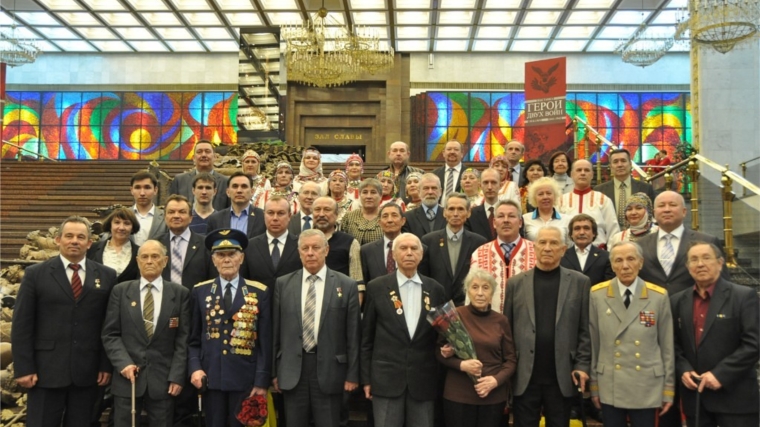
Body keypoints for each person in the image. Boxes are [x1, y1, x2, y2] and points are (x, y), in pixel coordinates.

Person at [12, 216, 118, 427]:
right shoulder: (35, 274)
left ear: (89, 243)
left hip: (88, 372)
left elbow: (109, 325)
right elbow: (22, 324)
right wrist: (24, 368)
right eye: (69, 236)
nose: (74, 241)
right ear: (58, 240)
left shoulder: (107, 276)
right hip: (44, 371)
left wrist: (105, 365)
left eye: (81, 237)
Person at [272, 229, 361, 427]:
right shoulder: (283, 284)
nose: (310, 252)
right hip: (293, 371)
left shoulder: (346, 285)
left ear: (326, 250)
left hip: (331, 372)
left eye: (316, 248)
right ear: (299, 252)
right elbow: (276, 332)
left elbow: (353, 335)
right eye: (305, 248)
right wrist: (274, 372)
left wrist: (353, 375)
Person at [503, 226, 591, 427]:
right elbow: (506, 330)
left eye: (554, 243)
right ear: (534, 247)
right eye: (543, 242)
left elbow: (585, 330)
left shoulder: (580, 282)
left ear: (564, 249)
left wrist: (582, 365)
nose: (548, 248)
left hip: (562, 375)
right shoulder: (515, 283)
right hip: (525, 376)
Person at [101, 240, 191, 427]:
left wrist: (176, 375)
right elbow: (110, 334)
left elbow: (183, 339)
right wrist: (123, 363)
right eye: (145, 257)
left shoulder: (180, 293)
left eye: (155, 256)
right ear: (137, 260)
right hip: (128, 379)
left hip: (164, 380)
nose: (150, 261)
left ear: (165, 261)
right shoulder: (121, 291)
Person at [187, 229, 271, 427]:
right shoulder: (200, 291)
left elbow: (265, 343)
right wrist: (195, 369)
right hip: (211, 377)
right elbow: (193, 339)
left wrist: (261, 381)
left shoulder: (259, 292)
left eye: (231, 254)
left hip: (245, 380)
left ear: (241, 258)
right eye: (220, 255)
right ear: (213, 260)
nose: (226, 260)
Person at [361, 233, 446, 427]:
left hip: (423, 380)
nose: (409, 253)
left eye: (414, 248)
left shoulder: (436, 289)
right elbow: (367, 338)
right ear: (393, 254)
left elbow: (441, 335)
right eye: (403, 248)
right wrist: (366, 379)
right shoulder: (376, 287)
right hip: (385, 379)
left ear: (422, 254)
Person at [671, 242, 759, 427]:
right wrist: (683, 369)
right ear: (688, 267)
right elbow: (673, 344)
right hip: (695, 398)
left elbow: (754, 343)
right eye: (694, 260)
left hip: (735, 397)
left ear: (720, 263)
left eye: (706, 258)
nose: (700, 264)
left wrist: (720, 374)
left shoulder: (744, 296)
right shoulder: (678, 300)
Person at [589, 241, 675, 427]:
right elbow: (594, 345)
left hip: (646, 384)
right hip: (610, 383)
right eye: (618, 260)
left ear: (641, 262)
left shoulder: (658, 296)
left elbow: (667, 347)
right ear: (612, 265)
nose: (625, 266)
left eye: (631, 259)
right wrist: (594, 386)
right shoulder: (597, 295)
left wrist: (668, 389)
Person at [437, 268, 517, 427]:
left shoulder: (501, 321)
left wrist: (495, 381)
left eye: (485, 288)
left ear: (492, 293)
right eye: (475, 287)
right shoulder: (454, 316)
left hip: (493, 396)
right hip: (458, 395)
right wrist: (461, 365)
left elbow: (511, 361)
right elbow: (438, 353)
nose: (480, 293)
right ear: (467, 291)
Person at [637, 190, 729, 296]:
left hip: (693, 307)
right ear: (654, 213)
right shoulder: (640, 245)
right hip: (653, 309)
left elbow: (723, 283)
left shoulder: (707, 242)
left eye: (672, 205)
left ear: (684, 211)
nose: (667, 210)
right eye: (661, 206)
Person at [419, 193, 488, 306]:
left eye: (460, 209)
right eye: (451, 209)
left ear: (468, 213)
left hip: (467, 306)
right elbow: (424, 277)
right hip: (436, 306)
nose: (455, 214)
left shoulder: (479, 242)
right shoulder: (429, 241)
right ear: (444, 213)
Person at [470, 200, 536, 312]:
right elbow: (471, 293)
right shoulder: (479, 253)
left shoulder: (536, 251)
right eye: (501, 216)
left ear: (520, 222)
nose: (506, 220)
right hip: (490, 324)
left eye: (511, 216)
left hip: (527, 324)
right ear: (494, 223)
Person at [243, 195, 303, 290]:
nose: (275, 218)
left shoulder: (301, 245)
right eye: (270, 213)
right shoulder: (249, 246)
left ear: (289, 216)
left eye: (280, 213)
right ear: (264, 215)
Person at [158, 195, 214, 291]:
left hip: (196, 302)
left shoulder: (206, 244)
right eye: (171, 212)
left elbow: (212, 279)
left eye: (182, 212)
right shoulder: (156, 244)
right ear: (165, 217)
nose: (176, 216)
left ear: (191, 218)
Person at [559, 159, 620, 247]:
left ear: (592, 175)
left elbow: (613, 231)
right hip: (568, 254)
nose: (583, 173)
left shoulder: (603, 199)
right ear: (572, 175)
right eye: (579, 170)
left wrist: (611, 256)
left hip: (597, 254)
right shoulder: (561, 201)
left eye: (586, 170)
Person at [312, 196, 364, 293]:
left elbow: (358, 284)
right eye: (317, 210)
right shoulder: (302, 241)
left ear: (336, 214)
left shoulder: (350, 242)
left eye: (327, 210)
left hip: (340, 300)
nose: (321, 214)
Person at [594, 149, 656, 229]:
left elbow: (652, 216)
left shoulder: (645, 188)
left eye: (623, 161)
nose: (620, 165)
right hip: (609, 238)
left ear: (630, 164)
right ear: (610, 166)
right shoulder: (599, 190)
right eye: (615, 162)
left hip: (639, 237)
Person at [169, 140, 229, 211]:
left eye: (207, 151)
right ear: (194, 158)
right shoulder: (179, 180)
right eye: (199, 152)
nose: (203, 155)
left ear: (215, 157)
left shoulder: (226, 182)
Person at [87, 207, 141, 282]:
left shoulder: (140, 252)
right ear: (110, 225)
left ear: (132, 227)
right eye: (117, 222)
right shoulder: (92, 248)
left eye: (127, 223)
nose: (121, 227)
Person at [206, 172, 266, 239]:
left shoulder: (263, 217)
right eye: (235, 186)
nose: (239, 190)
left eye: (244, 186)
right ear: (228, 192)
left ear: (252, 192)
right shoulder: (216, 219)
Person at [560, 214, 615, 286]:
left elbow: (609, 285)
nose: (582, 232)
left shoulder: (606, 257)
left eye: (586, 228)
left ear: (594, 233)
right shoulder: (561, 256)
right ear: (571, 234)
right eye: (577, 228)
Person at [360, 203, 406, 285]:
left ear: (403, 221)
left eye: (394, 215)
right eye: (385, 216)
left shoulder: (416, 248)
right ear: (379, 223)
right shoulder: (367, 251)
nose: (389, 220)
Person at [522, 177, 568, 242]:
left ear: (555, 196)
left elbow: (569, 246)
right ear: (534, 198)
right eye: (540, 194)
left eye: (549, 193)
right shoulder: (525, 219)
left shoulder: (566, 219)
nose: (545, 197)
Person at [341, 179, 384, 245]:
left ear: (381, 196)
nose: (368, 196)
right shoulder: (349, 216)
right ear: (359, 195)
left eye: (373, 192)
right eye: (365, 192)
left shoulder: (386, 216)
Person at [130, 171, 168, 246]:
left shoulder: (165, 217)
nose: (142, 193)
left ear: (155, 190)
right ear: (131, 190)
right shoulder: (122, 216)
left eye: (147, 187)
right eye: (137, 187)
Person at [465, 168, 501, 241]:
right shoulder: (471, 215)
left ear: (500, 185)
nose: (490, 187)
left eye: (493, 182)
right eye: (485, 182)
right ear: (480, 185)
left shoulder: (511, 212)